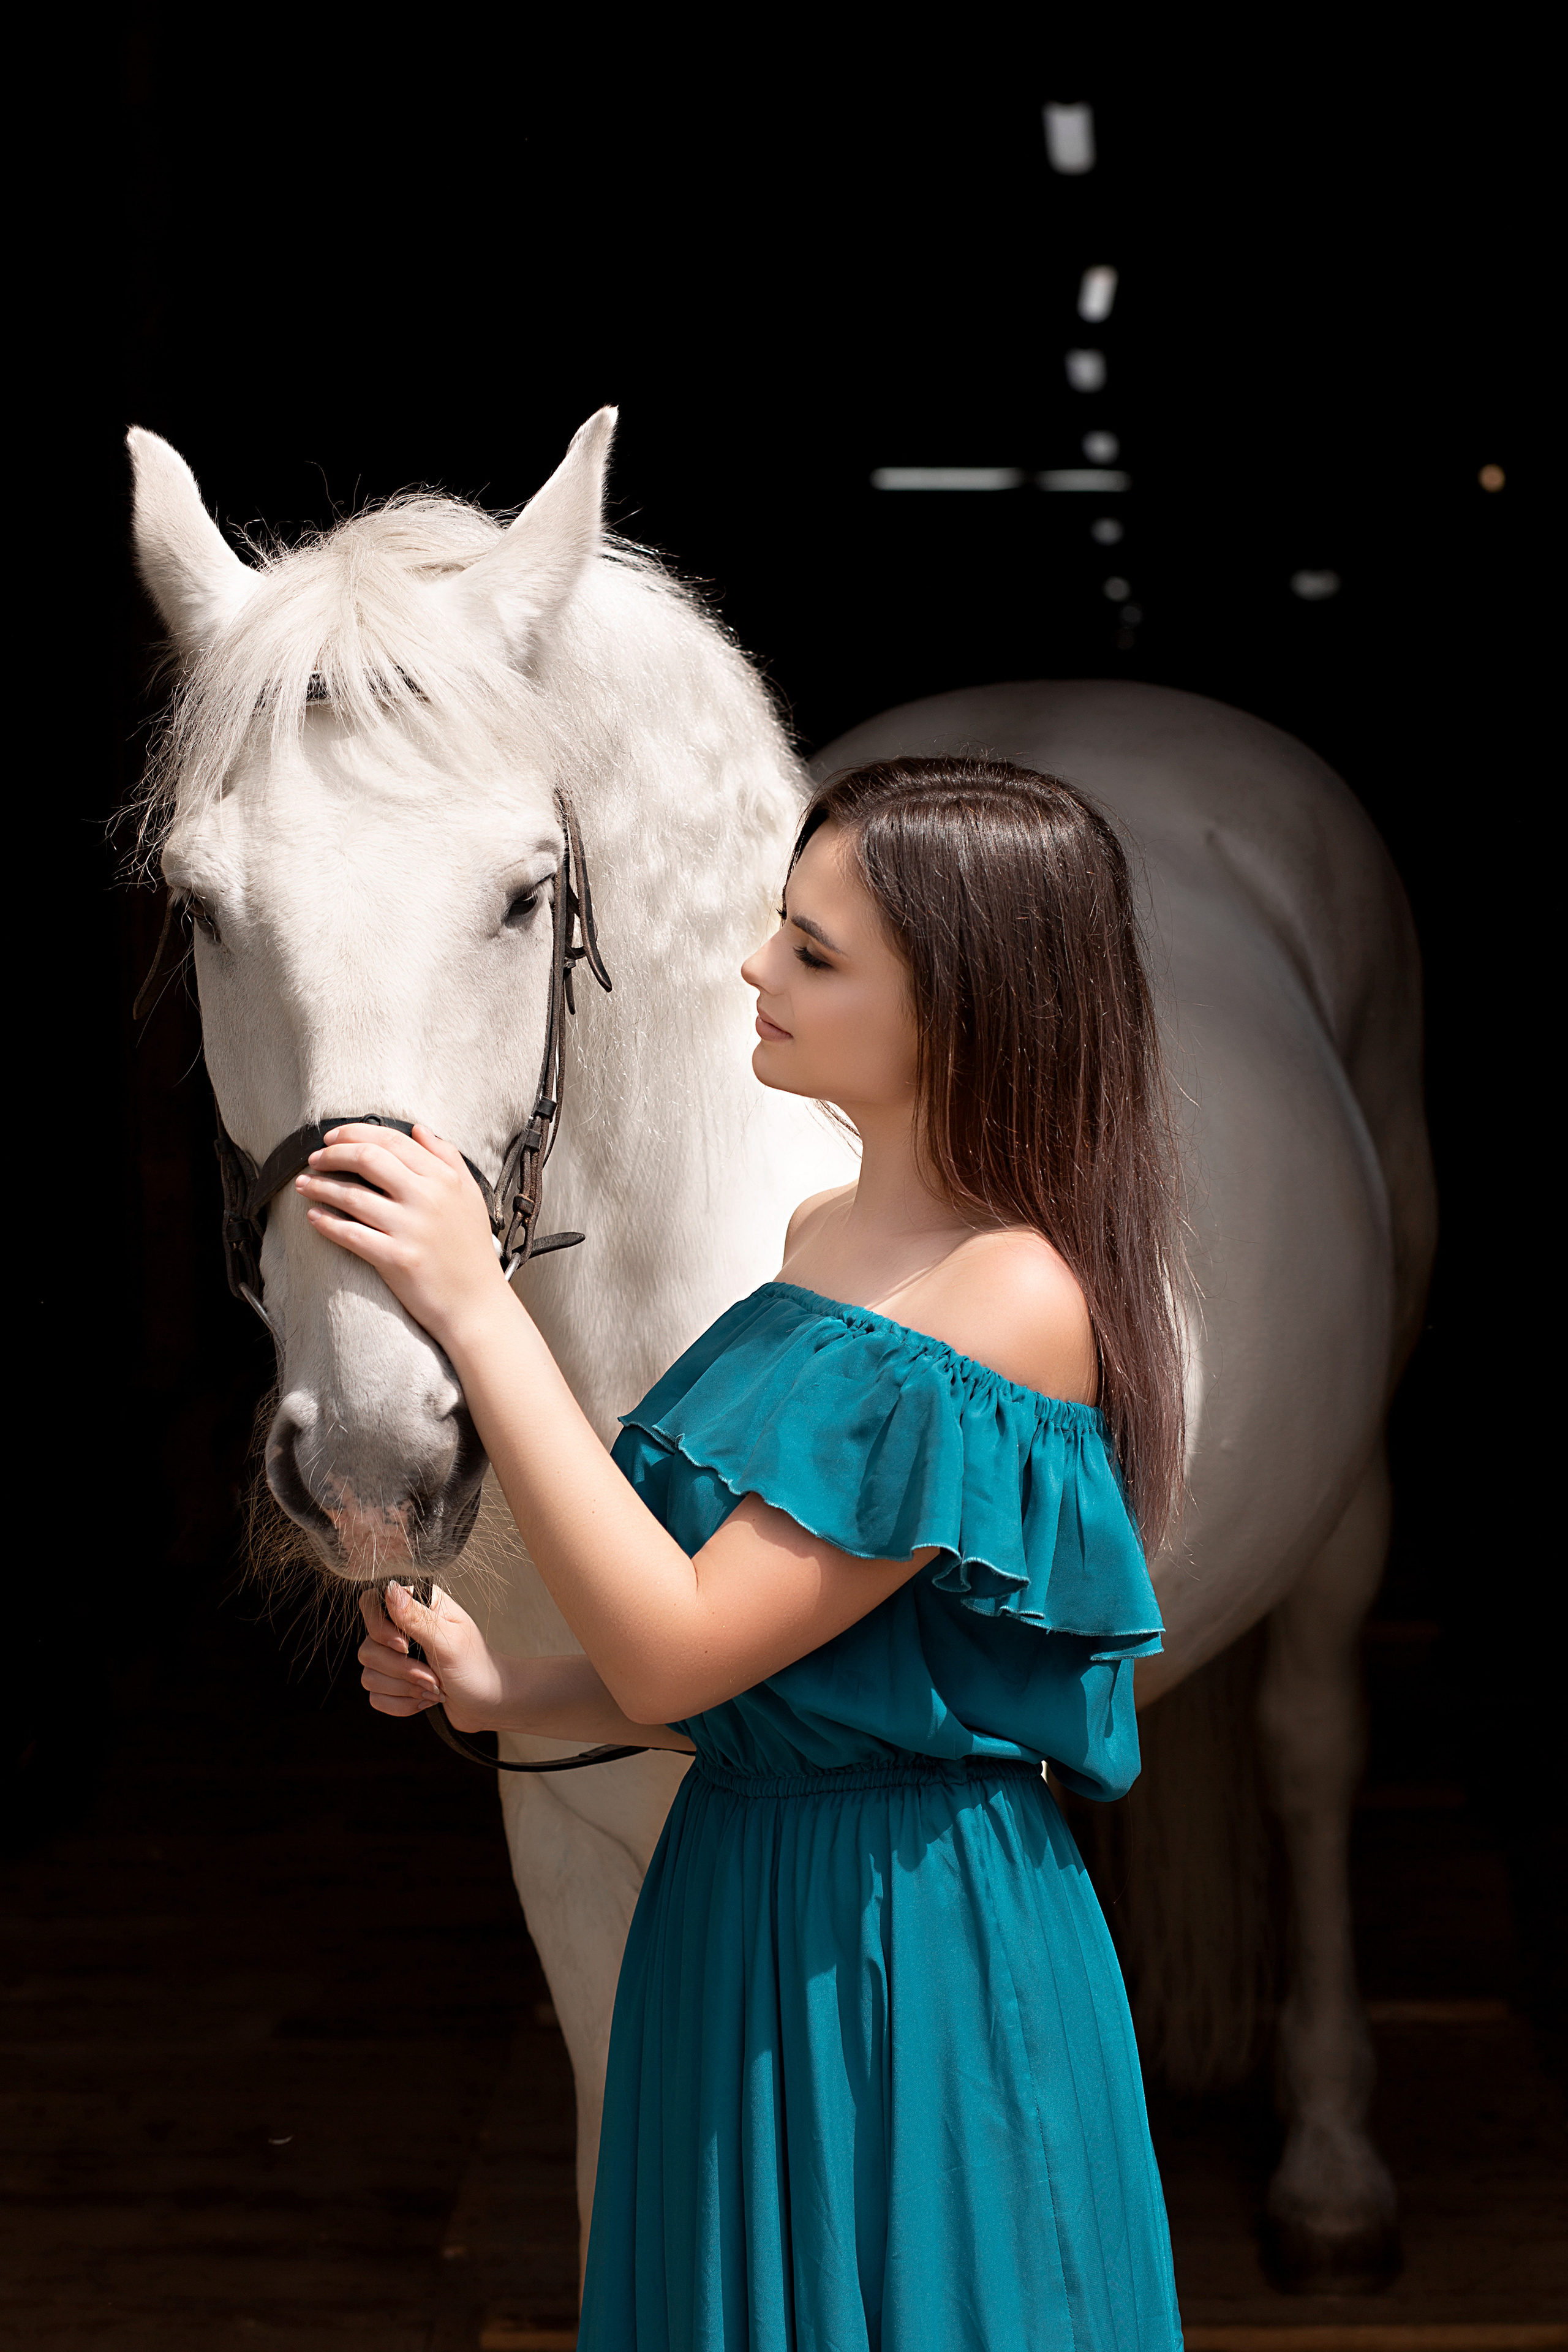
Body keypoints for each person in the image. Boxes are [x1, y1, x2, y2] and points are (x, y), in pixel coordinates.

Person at [297, 756, 1187, 2352]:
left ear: (966, 1012)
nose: (754, 969)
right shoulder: (819, 1244)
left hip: (906, 1956)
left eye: (817, 953)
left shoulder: (1013, 1298)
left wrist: (475, 1305)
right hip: (743, 1902)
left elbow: (682, 1648)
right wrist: (510, 1691)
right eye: (781, 926)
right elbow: (770, 1670)